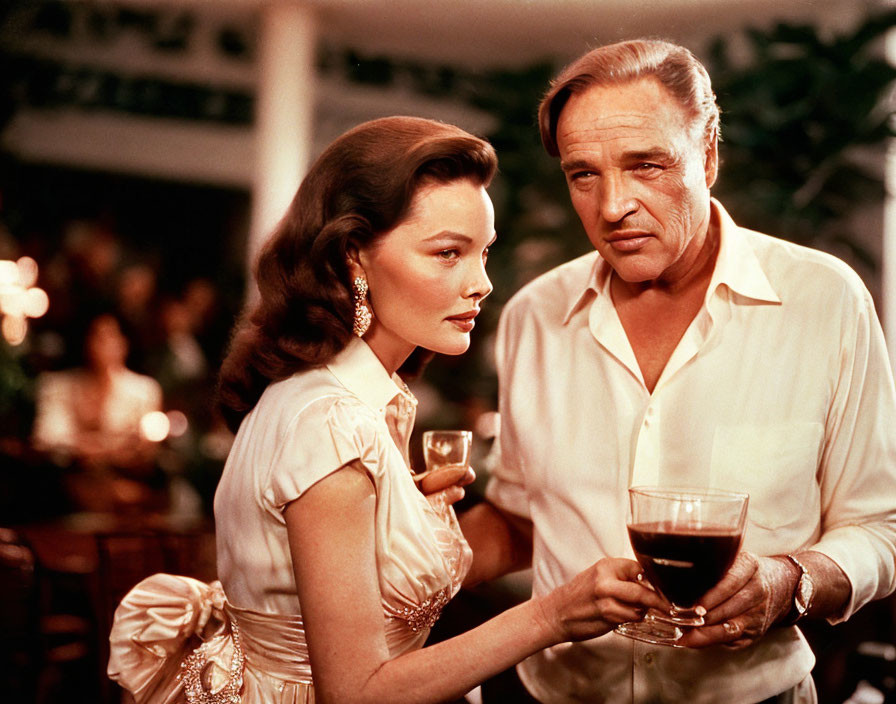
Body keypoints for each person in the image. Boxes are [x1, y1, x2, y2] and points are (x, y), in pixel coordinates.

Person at [106, 116, 665, 704]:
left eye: (482, 253)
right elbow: (357, 692)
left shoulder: (351, 398)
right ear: (354, 256)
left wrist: (404, 517)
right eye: (448, 253)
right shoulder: (331, 422)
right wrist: (550, 616)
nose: (481, 284)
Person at [458, 39, 896, 703]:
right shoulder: (532, 316)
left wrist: (789, 580)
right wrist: (382, 555)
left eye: (646, 166)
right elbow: (519, 518)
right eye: (584, 175)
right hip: (554, 694)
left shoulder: (824, 301)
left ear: (709, 155)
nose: (612, 207)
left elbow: (882, 525)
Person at [32, 311, 165, 512]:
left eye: (111, 336)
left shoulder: (144, 390)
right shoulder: (57, 386)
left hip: (125, 485)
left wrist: (90, 447)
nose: (103, 344)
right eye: (97, 336)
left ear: (124, 342)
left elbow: (144, 449)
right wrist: (111, 447)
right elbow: (48, 439)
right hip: (66, 489)